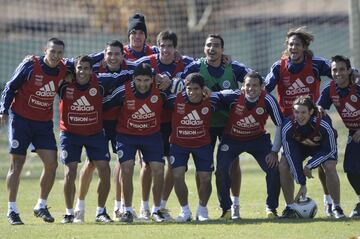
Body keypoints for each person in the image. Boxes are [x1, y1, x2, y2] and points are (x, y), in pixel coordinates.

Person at [178, 34, 254, 219]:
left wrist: (241, 91)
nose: (212, 48)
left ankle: (234, 205)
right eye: (209, 45)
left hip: (229, 123)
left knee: (232, 164)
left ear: (222, 49)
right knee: (201, 167)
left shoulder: (233, 67)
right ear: (204, 48)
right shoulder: (196, 67)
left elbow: (256, 81)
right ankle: (201, 208)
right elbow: (179, 83)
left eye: (216, 45)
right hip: (203, 124)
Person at [265, 26, 335, 216]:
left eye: (297, 44)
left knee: (327, 163)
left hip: (314, 126)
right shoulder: (279, 67)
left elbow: (339, 73)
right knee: (283, 165)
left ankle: (331, 204)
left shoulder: (316, 64)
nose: (293, 47)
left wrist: (353, 74)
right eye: (290, 44)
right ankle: (290, 207)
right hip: (290, 128)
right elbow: (264, 88)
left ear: (304, 47)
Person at [0, 38, 68, 225]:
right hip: (20, 120)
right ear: (45, 50)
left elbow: (81, 65)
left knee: (52, 163)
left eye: (59, 52)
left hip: (43, 124)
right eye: (52, 51)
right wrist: (3, 111)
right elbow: (10, 87)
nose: (55, 55)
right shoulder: (30, 65)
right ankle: (12, 210)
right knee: (17, 165)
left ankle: (41, 205)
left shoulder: (63, 69)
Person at [71, 40, 136, 222]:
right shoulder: (94, 71)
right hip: (98, 124)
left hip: (121, 123)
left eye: (117, 54)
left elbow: (150, 70)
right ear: (103, 55)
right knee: (91, 163)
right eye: (109, 54)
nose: (113, 58)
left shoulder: (130, 70)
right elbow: (72, 64)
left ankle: (119, 207)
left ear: (123, 56)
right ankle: (79, 207)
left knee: (124, 163)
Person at [135, 30, 194, 221]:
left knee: (172, 165)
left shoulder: (185, 63)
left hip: (175, 123)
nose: (166, 50)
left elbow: (201, 67)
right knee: (147, 165)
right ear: (157, 46)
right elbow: (128, 71)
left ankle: (159, 206)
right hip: (151, 122)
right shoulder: (147, 62)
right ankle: (144, 207)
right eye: (162, 46)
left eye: (169, 46)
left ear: (175, 48)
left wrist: (174, 82)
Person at [103, 63, 170, 223]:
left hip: (152, 136)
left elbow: (182, 96)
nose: (142, 84)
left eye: (146, 80)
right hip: (126, 136)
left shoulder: (161, 91)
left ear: (152, 79)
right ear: (133, 79)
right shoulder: (123, 91)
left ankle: (155, 211)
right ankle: (126, 211)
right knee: (126, 168)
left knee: (159, 169)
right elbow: (103, 104)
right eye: (139, 80)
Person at [215, 71, 282, 219]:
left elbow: (280, 125)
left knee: (274, 169)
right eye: (248, 85)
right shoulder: (232, 96)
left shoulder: (268, 100)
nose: (251, 88)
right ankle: (226, 210)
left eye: (255, 85)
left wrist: (274, 151)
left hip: (258, 140)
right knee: (221, 170)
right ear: (243, 87)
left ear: (262, 87)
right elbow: (214, 96)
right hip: (232, 140)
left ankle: (271, 208)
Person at [59, 55, 113, 224]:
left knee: (105, 170)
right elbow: (53, 63)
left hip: (95, 134)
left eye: (86, 68)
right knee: (70, 172)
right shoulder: (64, 84)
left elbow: (125, 75)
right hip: (70, 134)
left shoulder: (101, 83)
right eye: (79, 68)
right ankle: (69, 213)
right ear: (74, 70)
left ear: (91, 70)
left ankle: (100, 212)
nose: (82, 71)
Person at [167, 73, 222, 222]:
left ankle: (202, 210)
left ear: (203, 89)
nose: (192, 92)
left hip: (202, 145)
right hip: (179, 145)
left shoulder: (212, 100)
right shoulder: (175, 99)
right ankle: (185, 211)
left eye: (196, 89)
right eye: (189, 88)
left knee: (205, 178)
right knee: (177, 175)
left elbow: (230, 96)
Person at [280, 95, 345, 219]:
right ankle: (290, 207)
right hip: (301, 148)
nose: (300, 116)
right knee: (283, 165)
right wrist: (302, 183)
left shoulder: (324, 123)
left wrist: (310, 165)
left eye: (303, 112)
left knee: (329, 166)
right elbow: (291, 155)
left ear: (311, 111)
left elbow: (330, 150)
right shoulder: (287, 126)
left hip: (323, 149)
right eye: (296, 112)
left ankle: (336, 207)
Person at [317, 55, 360, 218]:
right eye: (335, 70)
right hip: (353, 133)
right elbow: (320, 106)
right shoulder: (330, 89)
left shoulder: (358, 87)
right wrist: (319, 109)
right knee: (350, 168)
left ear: (349, 70)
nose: (338, 73)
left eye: (342, 69)